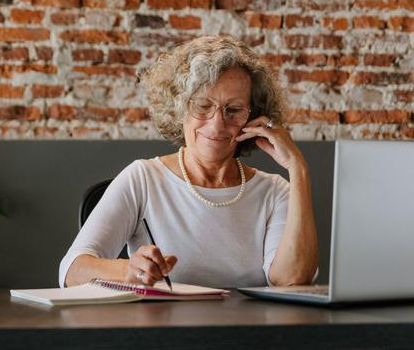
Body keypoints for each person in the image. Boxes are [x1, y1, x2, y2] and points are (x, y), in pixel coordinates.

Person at [59, 35, 318, 289]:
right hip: (164, 329)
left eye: (234, 110)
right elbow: (72, 270)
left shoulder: (274, 191)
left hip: (250, 331)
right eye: (203, 106)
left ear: (254, 118)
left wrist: (299, 169)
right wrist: (129, 269)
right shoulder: (143, 179)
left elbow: (291, 279)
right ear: (179, 108)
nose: (217, 123)